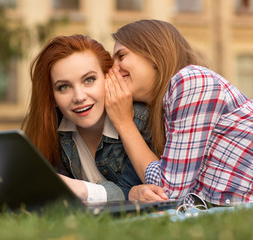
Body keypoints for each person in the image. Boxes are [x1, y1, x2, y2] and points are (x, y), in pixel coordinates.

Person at [105, 19, 253, 206]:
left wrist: (123, 123)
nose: (114, 70)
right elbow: (188, 203)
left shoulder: (191, 80)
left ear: (153, 54)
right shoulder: (166, 109)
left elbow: (169, 193)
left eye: (121, 56)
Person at [21, 34, 150, 202]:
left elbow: (136, 192)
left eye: (89, 80)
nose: (79, 97)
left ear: (109, 78)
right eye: (64, 87)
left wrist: (80, 189)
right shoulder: (52, 129)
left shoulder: (140, 119)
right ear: (51, 96)